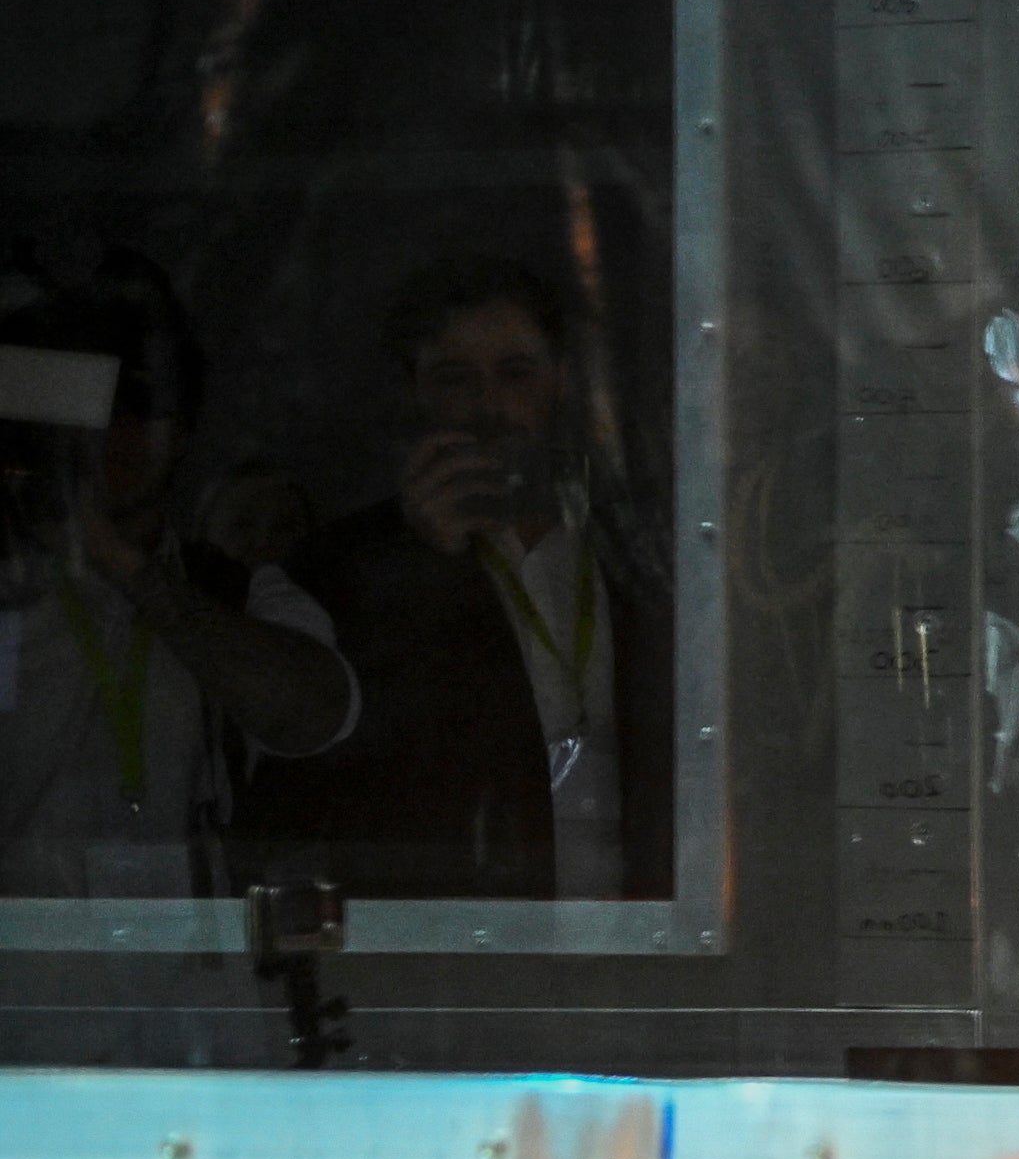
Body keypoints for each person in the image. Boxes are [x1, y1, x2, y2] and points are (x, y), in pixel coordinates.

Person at [266, 252, 668, 904]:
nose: (489, 407)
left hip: (635, 941)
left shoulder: (634, 549)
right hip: (465, 956)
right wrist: (425, 565)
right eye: (455, 379)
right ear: (412, 390)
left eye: (516, 373)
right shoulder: (346, 567)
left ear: (561, 380)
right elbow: (338, 771)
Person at [0, 253, 360, 900]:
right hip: (32, 987)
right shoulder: (12, 591)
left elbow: (318, 715)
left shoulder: (230, 586)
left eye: (145, 402)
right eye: (98, 401)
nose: (121, 431)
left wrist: (122, 563)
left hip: (196, 987)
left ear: (186, 422)